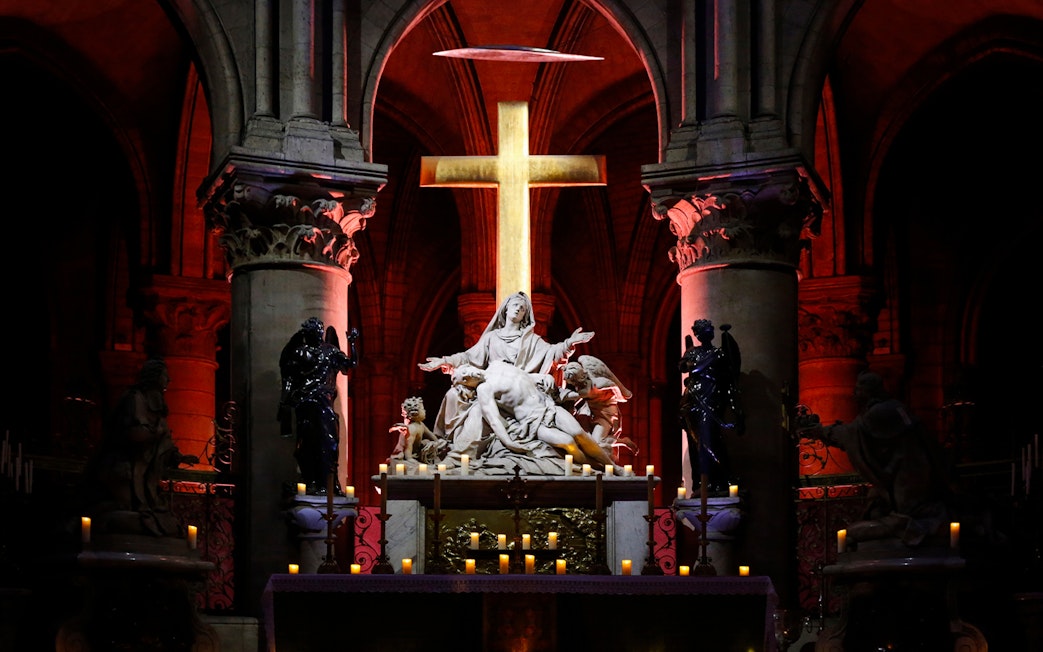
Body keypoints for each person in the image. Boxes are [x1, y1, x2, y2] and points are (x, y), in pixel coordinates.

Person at [419, 291, 593, 458]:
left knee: (570, 434)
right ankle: (454, 448)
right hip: (495, 389)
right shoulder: (492, 337)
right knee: (454, 395)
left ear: (525, 315)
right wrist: (444, 361)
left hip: (522, 391)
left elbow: (552, 352)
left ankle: (591, 462)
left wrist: (570, 343)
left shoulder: (531, 340)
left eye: (523, 308)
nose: (518, 309)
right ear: (506, 308)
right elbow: (468, 357)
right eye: (515, 305)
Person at [803, 371, 952, 547]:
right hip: (910, 471)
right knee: (876, 509)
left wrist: (820, 431)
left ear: (868, 390)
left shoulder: (881, 412)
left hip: (909, 476)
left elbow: (851, 434)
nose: (854, 395)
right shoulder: (896, 407)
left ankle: (911, 528)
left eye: (858, 390)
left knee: (906, 515)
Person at [83, 358, 198, 538]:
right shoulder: (134, 399)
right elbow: (133, 434)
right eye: (165, 376)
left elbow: (164, 441)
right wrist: (154, 434)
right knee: (125, 511)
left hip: (145, 475)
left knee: (161, 519)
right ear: (155, 377)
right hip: (125, 470)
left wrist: (177, 457)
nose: (168, 381)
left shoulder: (158, 408)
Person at [468, 361, 616, 469]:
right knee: (568, 442)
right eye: (465, 377)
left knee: (579, 433)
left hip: (547, 406)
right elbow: (494, 419)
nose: (468, 373)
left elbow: (524, 376)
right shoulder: (484, 389)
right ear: (466, 384)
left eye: (465, 370)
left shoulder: (497, 364)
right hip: (531, 421)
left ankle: (613, 467)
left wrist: (544, 377)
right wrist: (508, 442)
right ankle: (597, 467)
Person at [278, 317, 358, 494]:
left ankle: (329, 483)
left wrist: (352, 344)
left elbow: (350, 365)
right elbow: (289, 377)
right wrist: (284, 402)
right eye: (312, 332)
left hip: (323, 401)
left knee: (329, 441)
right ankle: (311, 481)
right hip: (305, 402)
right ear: (307, 333)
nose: (317, 334)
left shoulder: (330, 351)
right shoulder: (300, 352)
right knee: (306, 444)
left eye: (318, 331)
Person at [678, 319, 743, 493]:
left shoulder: (719, 354)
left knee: (710, 440)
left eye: (710, 329)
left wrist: (737, 411)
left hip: (712, 399)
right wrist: (693, 364)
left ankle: (720, 478)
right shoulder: (693, 352)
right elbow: (683, 367)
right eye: (703, 330)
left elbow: (728, 381)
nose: (708, 332)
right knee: (696, 442)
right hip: (694, 400)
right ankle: (703, 481)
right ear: (697, 334)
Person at [560, 355, 637, 464]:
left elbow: (616, 387)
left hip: (606, 413)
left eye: (575, 380)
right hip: (590, 410)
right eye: (573, 382)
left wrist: (620, 396)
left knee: (596, 443)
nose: (576, 384)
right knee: (581, 436)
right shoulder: (579, 386)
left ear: (583, 374)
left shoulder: (599, 383)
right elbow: (577, 398)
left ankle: (623, 441)